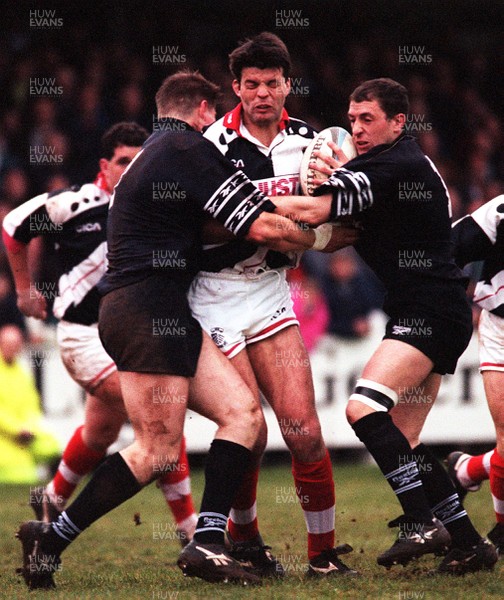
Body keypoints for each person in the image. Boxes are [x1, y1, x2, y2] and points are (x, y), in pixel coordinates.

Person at [15, 71, 346, 589]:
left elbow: (239, 213)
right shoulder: (187, 150)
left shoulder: (159, 151)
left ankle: (209, 541)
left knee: (242, 417)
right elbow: (257, 224)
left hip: (155, 310)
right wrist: (327, 233)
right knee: (156, 450)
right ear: (204, 112)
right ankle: (53, 539)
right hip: (147, 312)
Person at [274, 77, 498, 574]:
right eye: (352, 120)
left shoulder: (395, 165)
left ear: (399, 122)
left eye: (367, 119)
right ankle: (468, 543)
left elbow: (317, 209)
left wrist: (243, 205)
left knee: (362, 409)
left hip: (431, 310)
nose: (357, 129)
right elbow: (334, 223)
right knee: (406, 440)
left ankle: (421, 519)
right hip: (429, 307)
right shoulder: (388, 165)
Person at [196, 32, 359, 577]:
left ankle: (323, 557)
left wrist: (311, 224)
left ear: (287, 84)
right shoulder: (212, 146)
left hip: (270, 294)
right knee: (251, 430)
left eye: (272, 83)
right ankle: (244, 540)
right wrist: (286, 222)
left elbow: (342, 228)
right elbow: (207, 225)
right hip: (215, 296)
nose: (262, 93)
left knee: (304, 430)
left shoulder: (313, 144)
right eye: (251, 84)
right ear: (236, 88)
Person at [3, 123, 197, 540]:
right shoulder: (75, 203)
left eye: (138, 162)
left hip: (126, 337)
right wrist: (24, 291)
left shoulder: (151, 208)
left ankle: (49, 504)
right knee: (162, 425)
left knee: (100, 433)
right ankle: (189, 530)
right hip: (84, 337)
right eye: (123, 162)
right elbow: (14, 226)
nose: (131, 171)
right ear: (104, 165)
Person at [445, 195, 504, 555]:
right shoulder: (500, 212)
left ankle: (466, 470)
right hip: (501, 328)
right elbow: (447, 251)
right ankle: (501, 530)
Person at [0, 324, 61, 483]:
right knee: (24, 476)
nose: (13, 348)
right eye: (9, 344)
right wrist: (17, 429)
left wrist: (29, 427)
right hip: (5, 436)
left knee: (52, 446)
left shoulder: (20, 371)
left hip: (24, 434)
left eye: (16, 344)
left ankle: (58, 478)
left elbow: (32, 405)